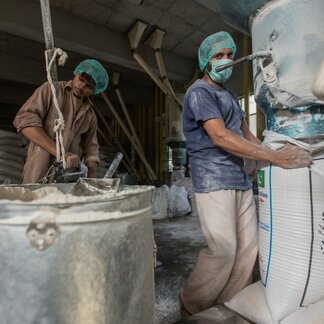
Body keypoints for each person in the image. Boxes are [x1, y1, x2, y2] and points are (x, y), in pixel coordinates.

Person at [179, 31, 312, 316]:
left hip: (239, 180)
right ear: (206, 61)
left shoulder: (228, 95)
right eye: (218, 56)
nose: (226, 60)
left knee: (249, 249)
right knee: (223, 250)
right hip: (213, 182)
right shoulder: (199, 93)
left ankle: (226, 305)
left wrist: (273, 154)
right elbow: (220, 137)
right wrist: (278, 157)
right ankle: (192, 305)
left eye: (229, 55)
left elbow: (245, 134)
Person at [13, 59, 109, 183]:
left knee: (64, 201)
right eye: (81, 79)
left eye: (89, 87)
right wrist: (62, 154)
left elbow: (91, 148)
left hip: (68, 177)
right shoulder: (51, 90)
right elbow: (24, 121)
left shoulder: (89, 115)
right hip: (39, 169)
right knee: (36, 198)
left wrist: (92, 180)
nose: (81, 87)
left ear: (95, 91)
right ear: (76, 73)